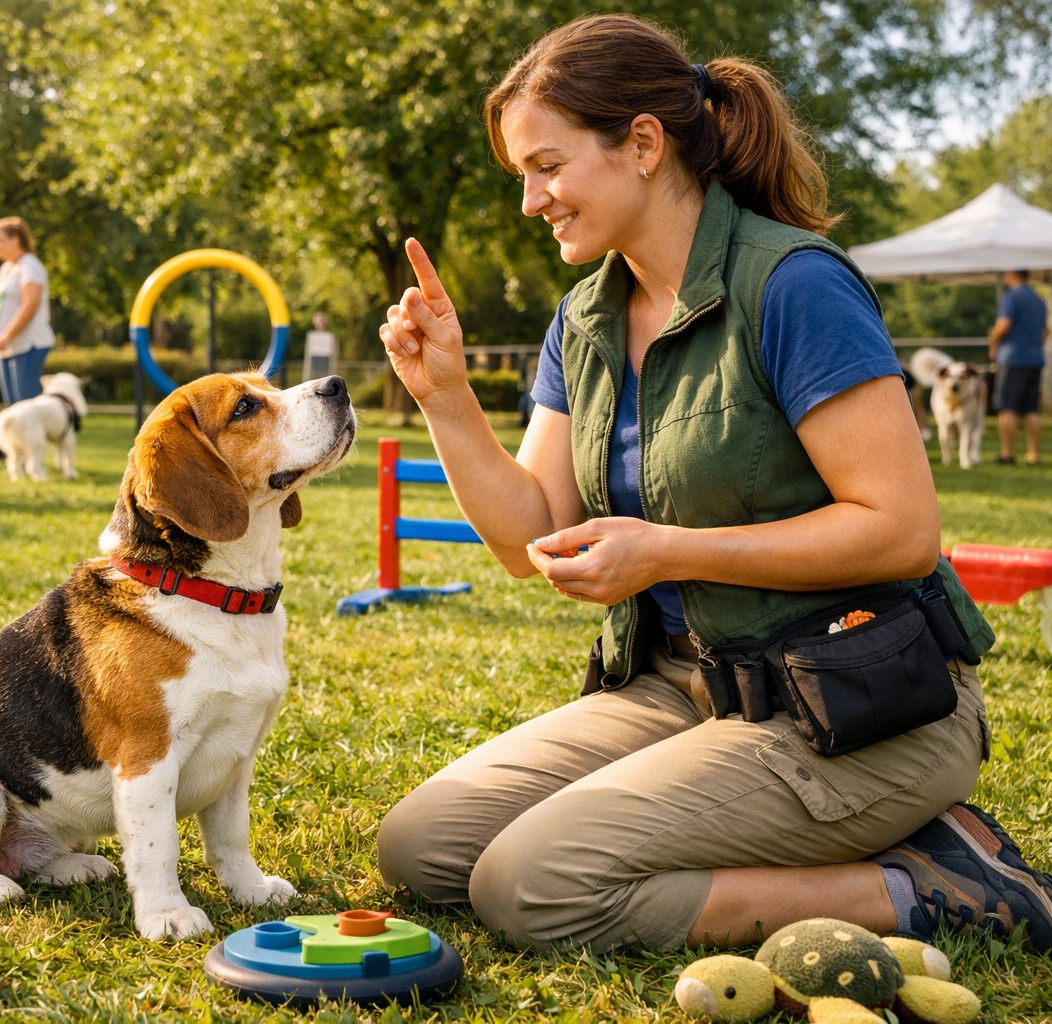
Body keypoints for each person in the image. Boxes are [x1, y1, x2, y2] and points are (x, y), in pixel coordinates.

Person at [375, 13, 1052, 954]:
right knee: (422, 849)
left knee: (529, 885)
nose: (532, 200)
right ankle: (750, 824)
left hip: (854, 702)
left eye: (546, 165)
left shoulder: (794, 285)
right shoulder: (585, 316)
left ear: (643, 144)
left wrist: (667, 551)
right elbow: (527, 535)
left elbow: (900, 531)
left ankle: (938, 883)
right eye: (521, 175)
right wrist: (444, 395)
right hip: (680, 689)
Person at [0, 216, 54, 405]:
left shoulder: (30, 266)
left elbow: (30, 305)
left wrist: (6, 336)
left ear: (16, 239)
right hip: (6, 348)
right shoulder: (6, 269)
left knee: (26, 410)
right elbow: (2, 308)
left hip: (27, 345)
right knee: (12, 410)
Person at [987, 269, 1046, 464]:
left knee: (1007, 407)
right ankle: (1033, 454)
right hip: (1035, 358)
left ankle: (1007, 454)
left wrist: (993, 342)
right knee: (1031, 409)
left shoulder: (1011, 296)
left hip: (1013, 359)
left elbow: (1003, 325)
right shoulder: (1038, 299)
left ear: (1011, 274)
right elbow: (1046, 331)